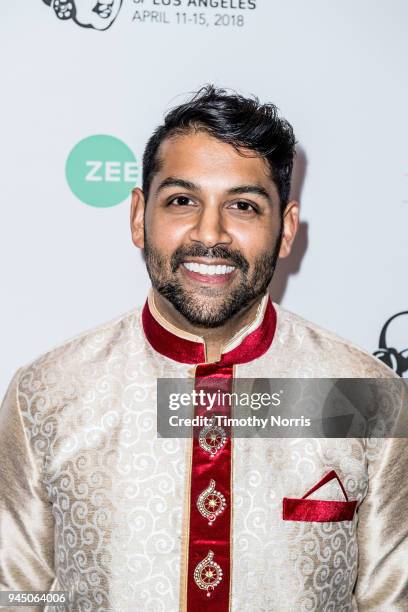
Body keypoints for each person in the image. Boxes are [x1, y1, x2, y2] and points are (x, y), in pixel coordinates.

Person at [1, 85, 407, 611]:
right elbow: (17, 596)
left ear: (285, 231)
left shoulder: (366, 396)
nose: (209, 233)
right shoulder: (46, 394)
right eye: (182, 201)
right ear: (137, 217)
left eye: (242, 205)